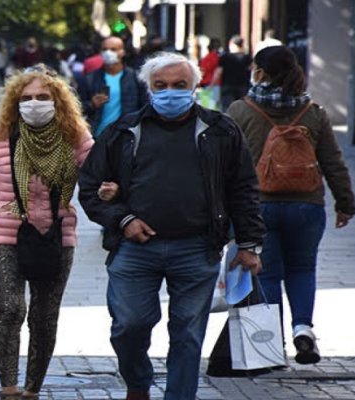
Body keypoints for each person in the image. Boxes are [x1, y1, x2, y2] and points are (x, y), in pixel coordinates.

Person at [78, 52, 265, 400]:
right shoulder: (123, 130)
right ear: (149, 88)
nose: (170, 92)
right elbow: (89, 187)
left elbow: (243, 188)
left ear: (195, 86)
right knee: (128, 326)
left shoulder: (221, 130)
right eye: (160, 85)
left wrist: (250, 244)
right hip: (134, 248)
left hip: (197, 248)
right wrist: (123, 218)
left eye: (179, 85)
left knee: (188, 335)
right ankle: (137, 383)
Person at [0, 64, 93, 399]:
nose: (34, 103)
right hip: (2, 235)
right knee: (11, 308)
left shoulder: (76, 139)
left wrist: (111, 192)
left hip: (56, 236)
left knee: (44, 315)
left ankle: (32, 389)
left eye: (43, 97)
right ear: (15, 102)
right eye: (27, 98)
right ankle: (9, 387)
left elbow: (101, 175)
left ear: (58, 101)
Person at [226, 45, 355, 365]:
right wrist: (345, 202)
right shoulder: (313, 111)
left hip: (258, 207)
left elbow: (224, 163)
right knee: (302, 268)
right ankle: (303, 328)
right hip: (306, 206)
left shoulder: (240, 111)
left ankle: (272, 346)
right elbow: (333, 161)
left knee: (267, 274)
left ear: (260, 72)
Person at [79, 36, 148, 138]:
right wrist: (91, 104)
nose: (108, 53)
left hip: (126, 136)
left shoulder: (135, 78)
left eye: (113, 49)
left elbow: (145, 107)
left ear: (123, 52)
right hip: (98, 136)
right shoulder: (90, 79)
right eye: (105, 49)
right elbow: (76, 108)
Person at [213, 35, 252, 111]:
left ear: (232, 44)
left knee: (227, 108)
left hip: (227, 85)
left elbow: (218, 72)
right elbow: (252, 69)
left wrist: (212, 84)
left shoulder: (225, 57)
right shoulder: (247, 57)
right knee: (242, 109)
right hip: (243, 85)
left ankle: (227, 122)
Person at [198, 38, 222, 110]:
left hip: (207, 84)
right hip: (217, 84)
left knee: (207, 105)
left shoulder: (206, 58)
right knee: (216, 106)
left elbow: (203, 71)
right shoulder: (220, 57)